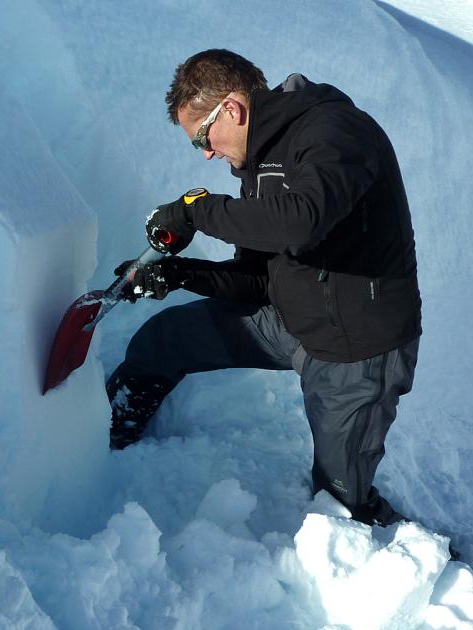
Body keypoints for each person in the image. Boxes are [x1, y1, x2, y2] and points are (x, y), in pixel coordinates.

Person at [107, 49, 422, 527]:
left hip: (356, 349)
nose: (206, 153)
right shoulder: (258, 166)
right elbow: (257, 278)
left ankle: (404, 551)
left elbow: (301, 222)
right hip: (291, 321)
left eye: (201, 138)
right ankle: (104, 436)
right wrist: (178, 274)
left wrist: (197, 211)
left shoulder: (334, 132)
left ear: (231, 109)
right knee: (163, 340)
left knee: (339, 504)